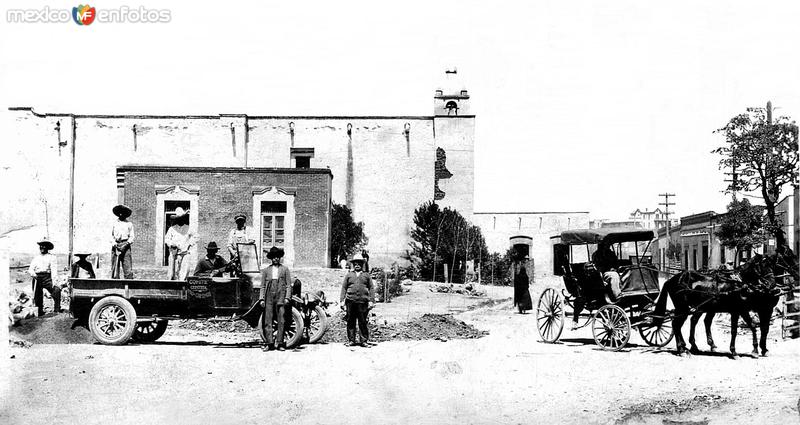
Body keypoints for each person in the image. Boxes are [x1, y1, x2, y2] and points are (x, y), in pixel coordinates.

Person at [260, 246, 292, 351]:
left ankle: (280, 343)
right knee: (268, 319)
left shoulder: (285, 269)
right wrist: (262, 299)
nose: (276, 259)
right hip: (269, 295)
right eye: (274, 257)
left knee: (281, 319)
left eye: (277, 257)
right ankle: (269, 343)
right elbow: (262, 286)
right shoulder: (266, 270)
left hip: (281, 296)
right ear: (271, 258)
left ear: (280, 258)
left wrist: (287, 297)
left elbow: (288, 285)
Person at [340, 253, 375, 347]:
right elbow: (344, 288)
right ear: (353, 264)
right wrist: (342, 300)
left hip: (362, 302)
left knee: (362, 322)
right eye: (355, 263)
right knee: (351, 321)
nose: (357, 265)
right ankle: (351, 340)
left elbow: (371, 288)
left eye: (359, 263)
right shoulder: (349, 275)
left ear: (362, 264)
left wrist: (371, 300)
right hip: (350, 302)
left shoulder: (366, 275)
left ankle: (364, 341)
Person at [28, 238, 61, 316]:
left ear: (47, 248)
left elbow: (54, 270)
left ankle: (57, 309)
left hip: (47, 277)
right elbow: (30, 269)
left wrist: (54, 281)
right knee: (37, 295)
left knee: (56, 290)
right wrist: (34, 274)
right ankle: (39, 311)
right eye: (41, 246)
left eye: (44, 246)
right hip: (37, 277)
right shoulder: (36, 258)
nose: (42, 247)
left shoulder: (52, 257)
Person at [165, 207, 195, 280]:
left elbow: (196, 236)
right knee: (174, 272)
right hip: (175, 254)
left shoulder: (188, 228)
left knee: (184, 272)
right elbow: (167, 239)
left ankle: (182, 286)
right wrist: (172, 244)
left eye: (182, 218)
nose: (180, 220)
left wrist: (189, 244)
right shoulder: (172, 229)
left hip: (185, 253)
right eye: (178, 219)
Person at [111, 204, 135, 279]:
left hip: (126, 245)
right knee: (114, 267)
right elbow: (111, 236)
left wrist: (126, 244)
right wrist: (115, 244)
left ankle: (128, 285)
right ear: (118, 213)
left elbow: (132, 237)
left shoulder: (129, 224)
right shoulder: (114, 223)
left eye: (123, 212)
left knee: (127, 267)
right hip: (116, 245)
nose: (121, 214)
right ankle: (115, 286)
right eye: (120, 212)